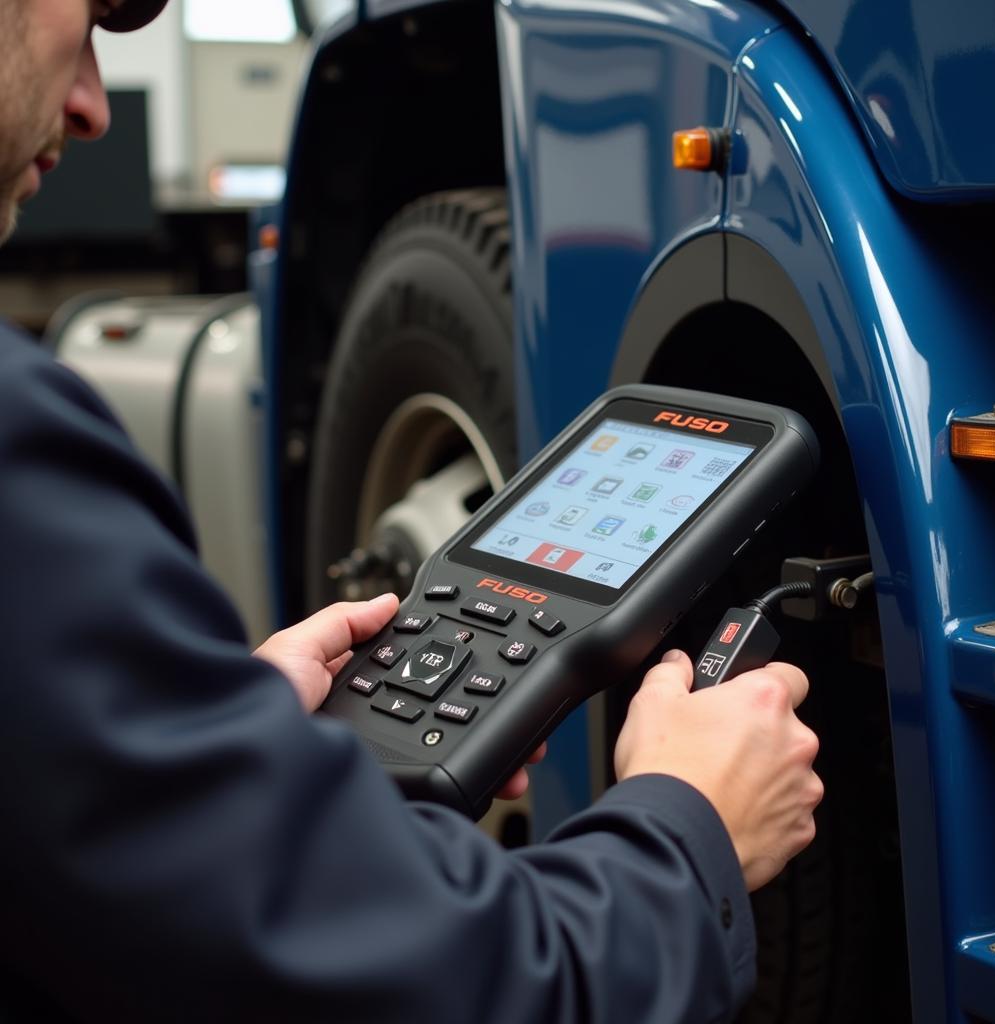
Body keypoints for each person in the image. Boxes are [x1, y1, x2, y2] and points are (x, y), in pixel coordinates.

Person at [0, 1, 823, 1020]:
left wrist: (190, 743)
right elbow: (447, 990)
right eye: (83, 22)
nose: (92, 107)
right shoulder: (20, 444)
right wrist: (692, 826)